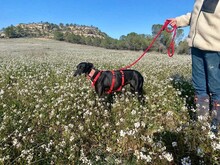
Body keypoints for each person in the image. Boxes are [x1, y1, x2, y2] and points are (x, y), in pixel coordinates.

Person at [168, 0, 220, 134]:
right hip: (197, 47)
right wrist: (177, 21)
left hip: (214, 48)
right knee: (199, 86)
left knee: (215, 88)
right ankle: (202, 126)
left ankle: (215, 127)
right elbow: (194, 16)